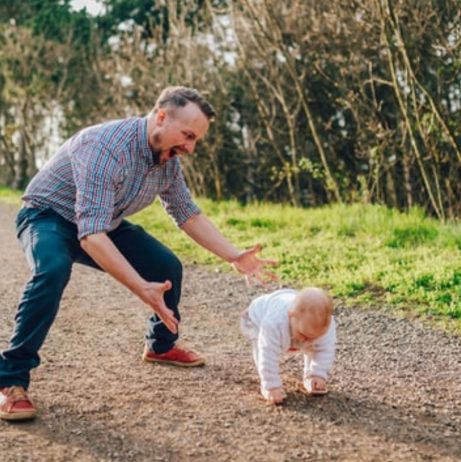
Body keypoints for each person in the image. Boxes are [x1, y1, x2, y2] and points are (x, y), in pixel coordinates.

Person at [0, 86, 277, 421]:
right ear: (161, 117)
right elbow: (90, 237)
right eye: (187, 135)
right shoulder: (104, 148)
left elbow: (186, 213)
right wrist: (140, 287)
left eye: (195, 141)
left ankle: (160, 346)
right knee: (53, 269)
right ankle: (11, 379)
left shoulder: (167, 161)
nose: (189, 148)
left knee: (166, 267)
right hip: (48, 216)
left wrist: (234, 256)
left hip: (103, 221)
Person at [240, 287, 336, 405]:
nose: (307, 341)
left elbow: (324, 351)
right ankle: (266, 386)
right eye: (303, 335)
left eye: (314, 337)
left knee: (314, 346)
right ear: (291, 316)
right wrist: (272, 386)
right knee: (262, 348)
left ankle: (311, 377)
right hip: (256, 318)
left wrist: (318, 374)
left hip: (287, 306)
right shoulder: (274, 323)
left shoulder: (324, 327)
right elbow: (267, 353)